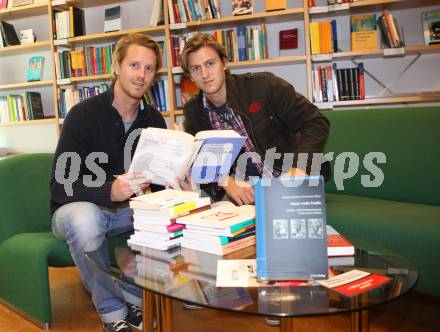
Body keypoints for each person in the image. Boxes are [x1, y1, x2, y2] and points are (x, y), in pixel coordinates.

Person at [50, 33, 166, 332]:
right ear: (116, 66)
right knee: (85, 217)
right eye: (134, 65)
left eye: (149, 68)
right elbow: (60, 184)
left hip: (126, 212)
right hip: (74, 212)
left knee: (172, 211)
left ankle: (141, 297)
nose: (141, 75)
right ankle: (115, 311)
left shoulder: (154, 121)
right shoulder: (82, 115)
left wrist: (177, 184)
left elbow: (159, 186)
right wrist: (109, 190)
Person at [180, 33, 330, 206]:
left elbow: (316, 122)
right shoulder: (193, 112)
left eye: (210, 63)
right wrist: (226, 181)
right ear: (190, 76)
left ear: (224, 63)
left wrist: (299, 168)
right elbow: (201, 163)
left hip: (286, 181)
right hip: (244, 196)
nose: (205, 74)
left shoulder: (263, 86)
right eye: (196, 68)